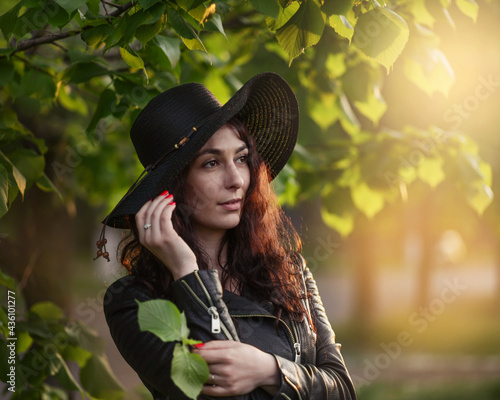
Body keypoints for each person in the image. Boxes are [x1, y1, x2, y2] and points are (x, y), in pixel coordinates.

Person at [99, 72, 357, 400]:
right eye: (211, 163)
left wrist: (269, 369)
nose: (236, 179)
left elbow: (343, 389)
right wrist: (188, 275)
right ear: (171, 187)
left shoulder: (288, 270)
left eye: (241, 158)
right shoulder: (135, 302)